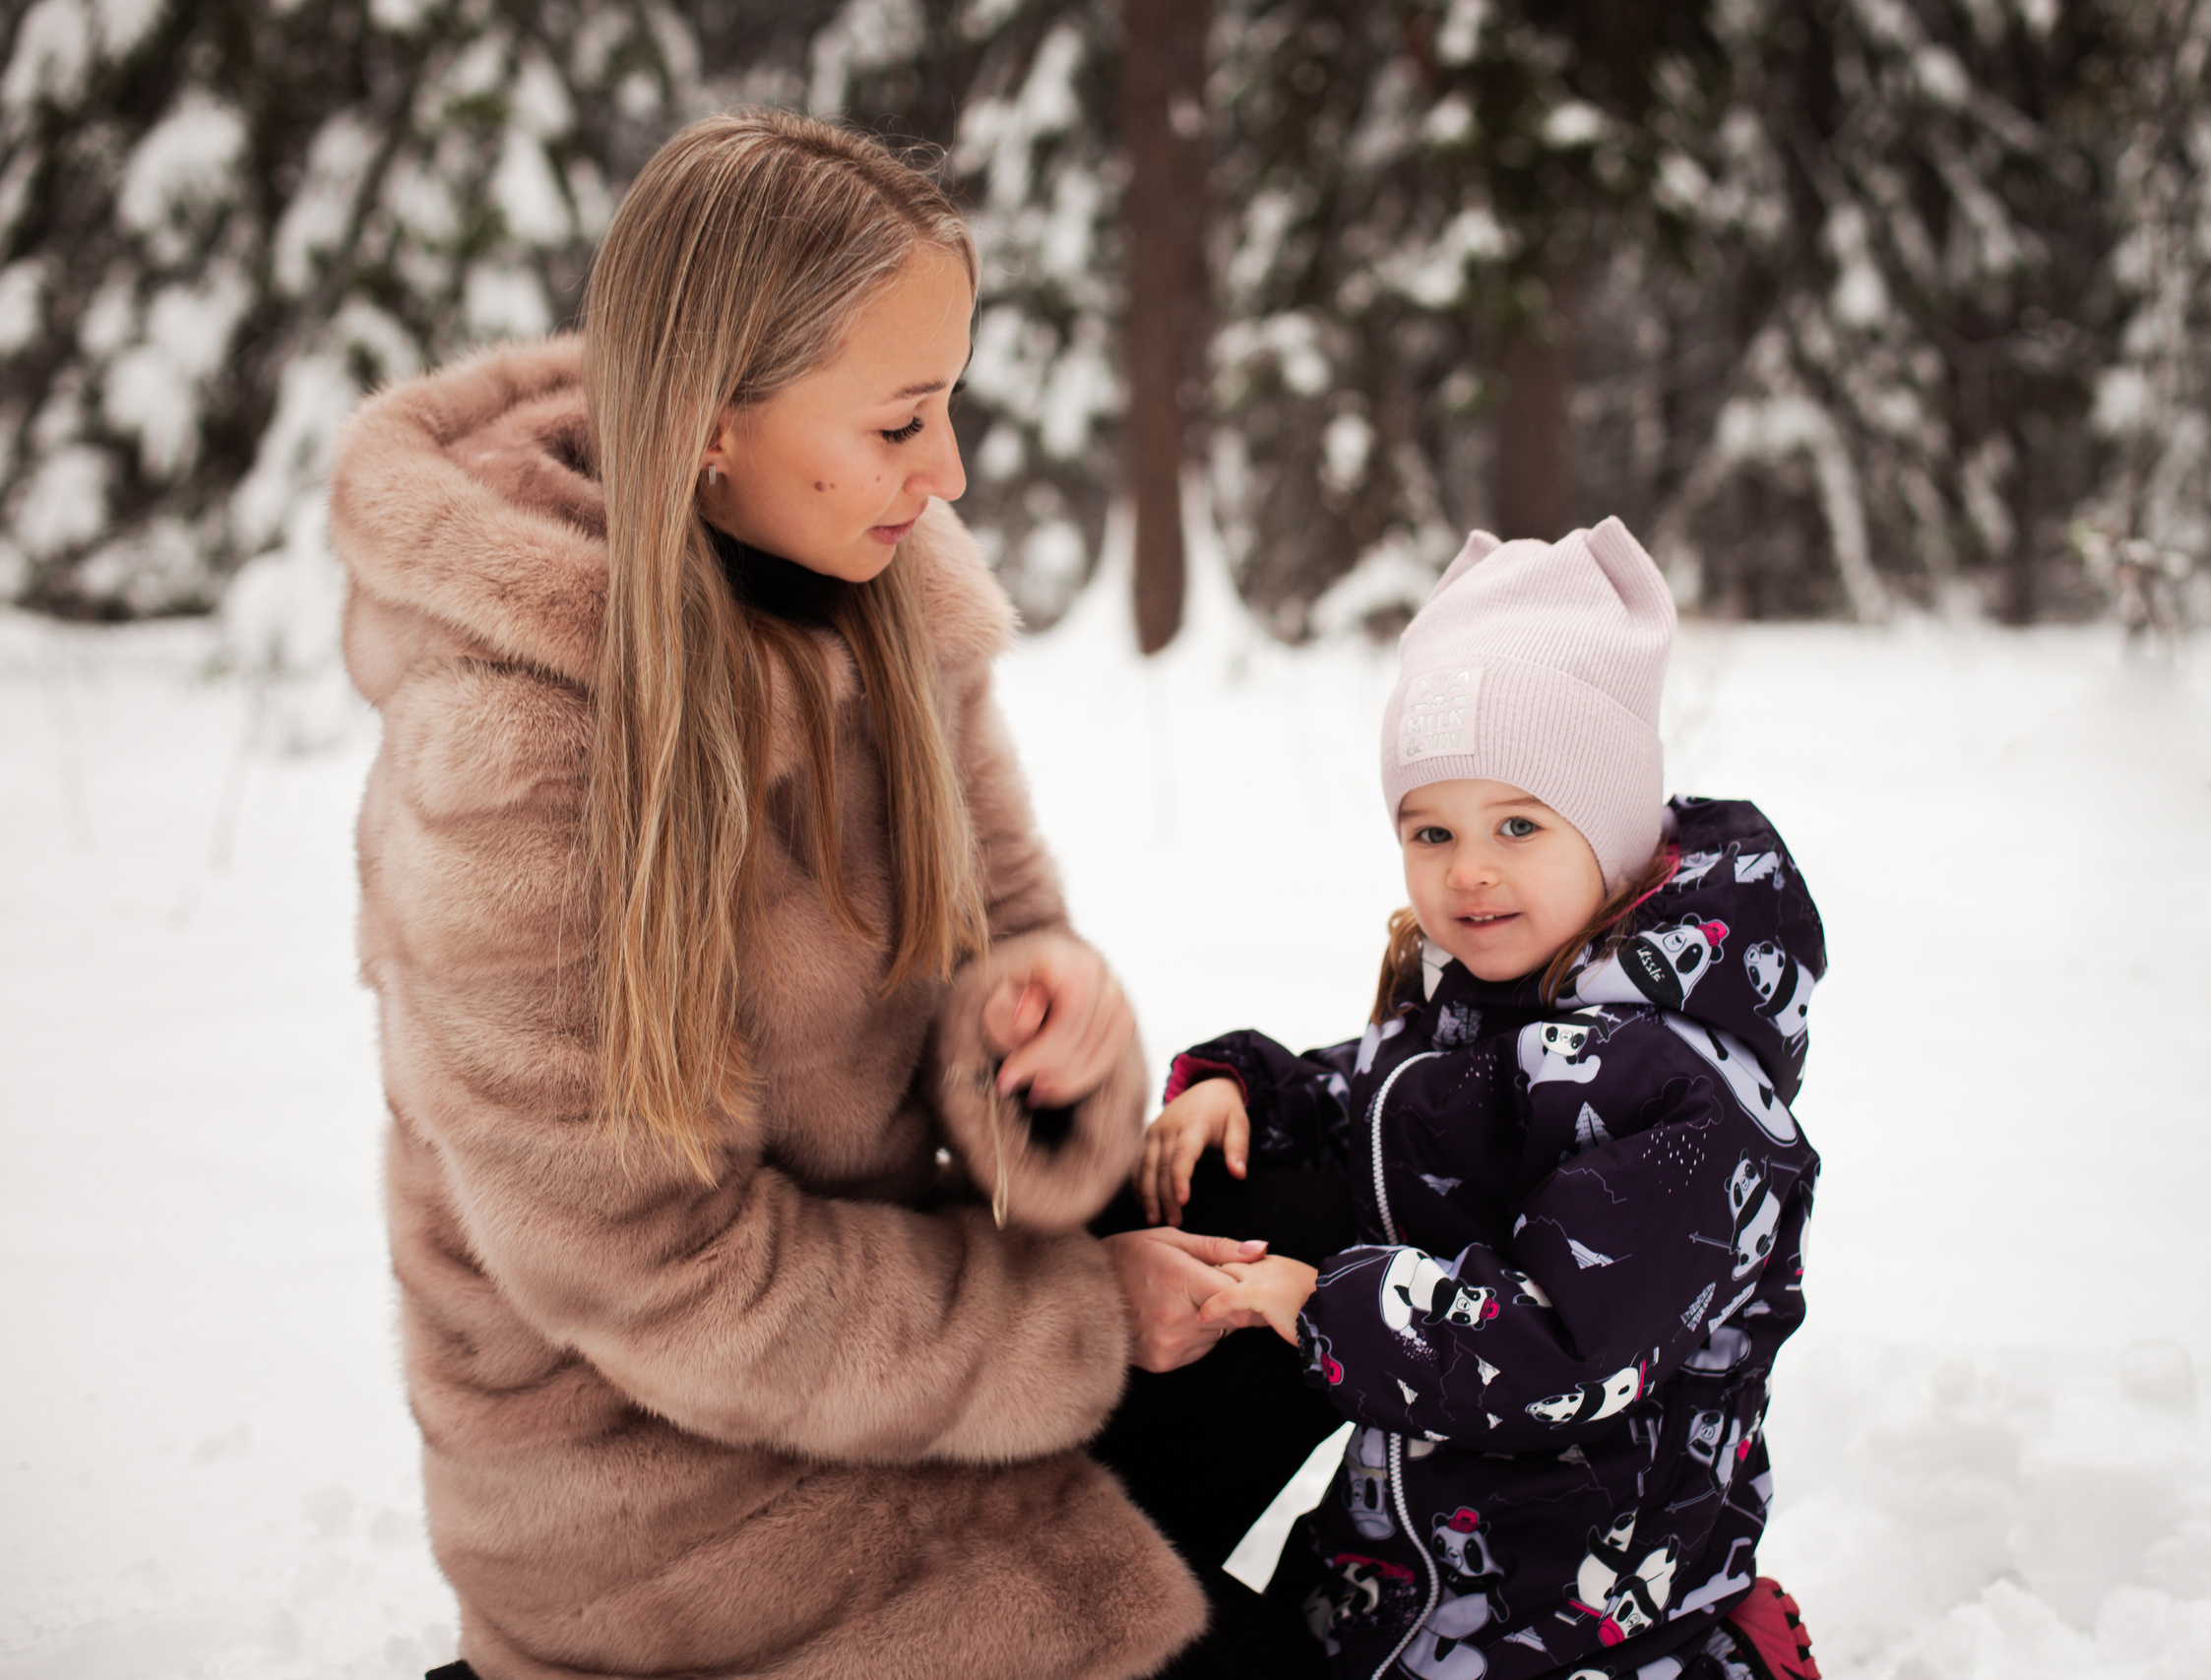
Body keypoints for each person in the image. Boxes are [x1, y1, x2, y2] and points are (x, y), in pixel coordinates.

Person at [333, 109, 1271, 1680]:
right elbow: (666, 1278)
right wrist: (1080, 1318)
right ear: (716, 423)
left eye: (949, 406)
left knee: (1311, 1230)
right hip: (671, 1511)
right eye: (903, 420)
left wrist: (1044, 1038)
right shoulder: (510, 757)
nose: (950, 470)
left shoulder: (880, 594)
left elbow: (1019, 942)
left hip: (919, 1368)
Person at [1129, 518, 1829, 1680]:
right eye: (1431, 831)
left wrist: (1322, 1300)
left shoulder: (1684, 1094)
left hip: (1581, 1610)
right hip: (1418, 1569)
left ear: (1608, 830)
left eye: (1517, 825)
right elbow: (1375, 1094)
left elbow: (1561, 1347)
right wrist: (1240, 1086)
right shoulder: (1490, 1006)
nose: (1469, 872)